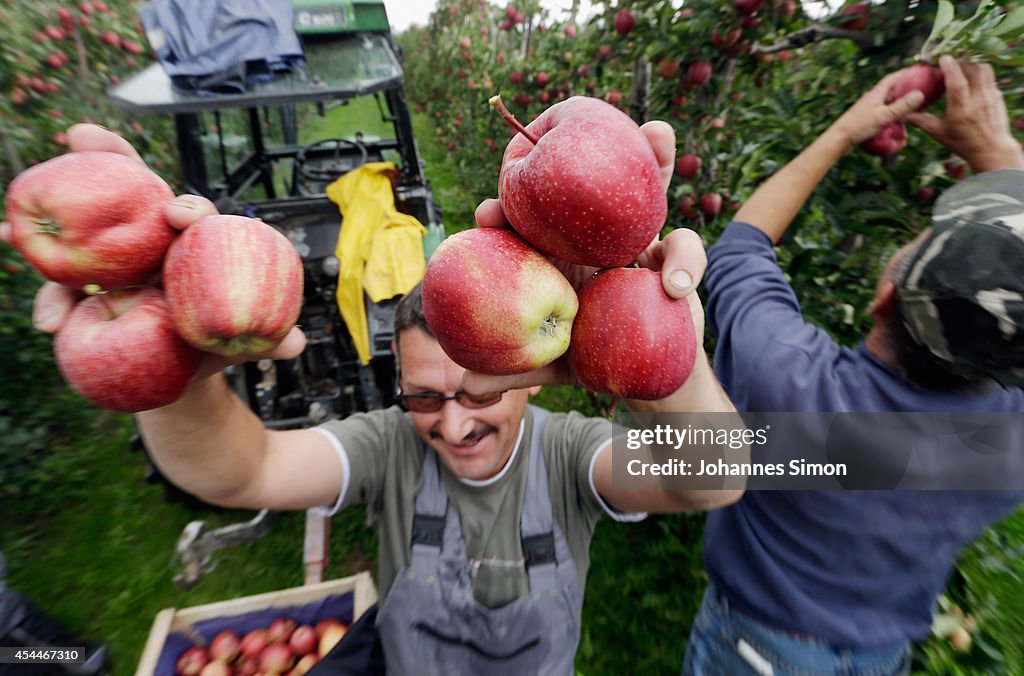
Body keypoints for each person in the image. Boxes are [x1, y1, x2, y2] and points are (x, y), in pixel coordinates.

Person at [3, 122, 744, 675]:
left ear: (524, 383)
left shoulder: (566, 454)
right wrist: (168, 368)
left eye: (475, 395)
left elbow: (731, 473)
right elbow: (237, 474)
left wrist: (656, 343)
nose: (453, 422)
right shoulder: (387, 451)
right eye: (422, 399)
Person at [680, 55, 1024, 675]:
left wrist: (843, 130)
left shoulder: (787, 381)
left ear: (884, 296)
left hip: (752, 653)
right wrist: (1001, 159)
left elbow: (740, 246)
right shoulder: (1006, 442)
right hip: (880, 658)